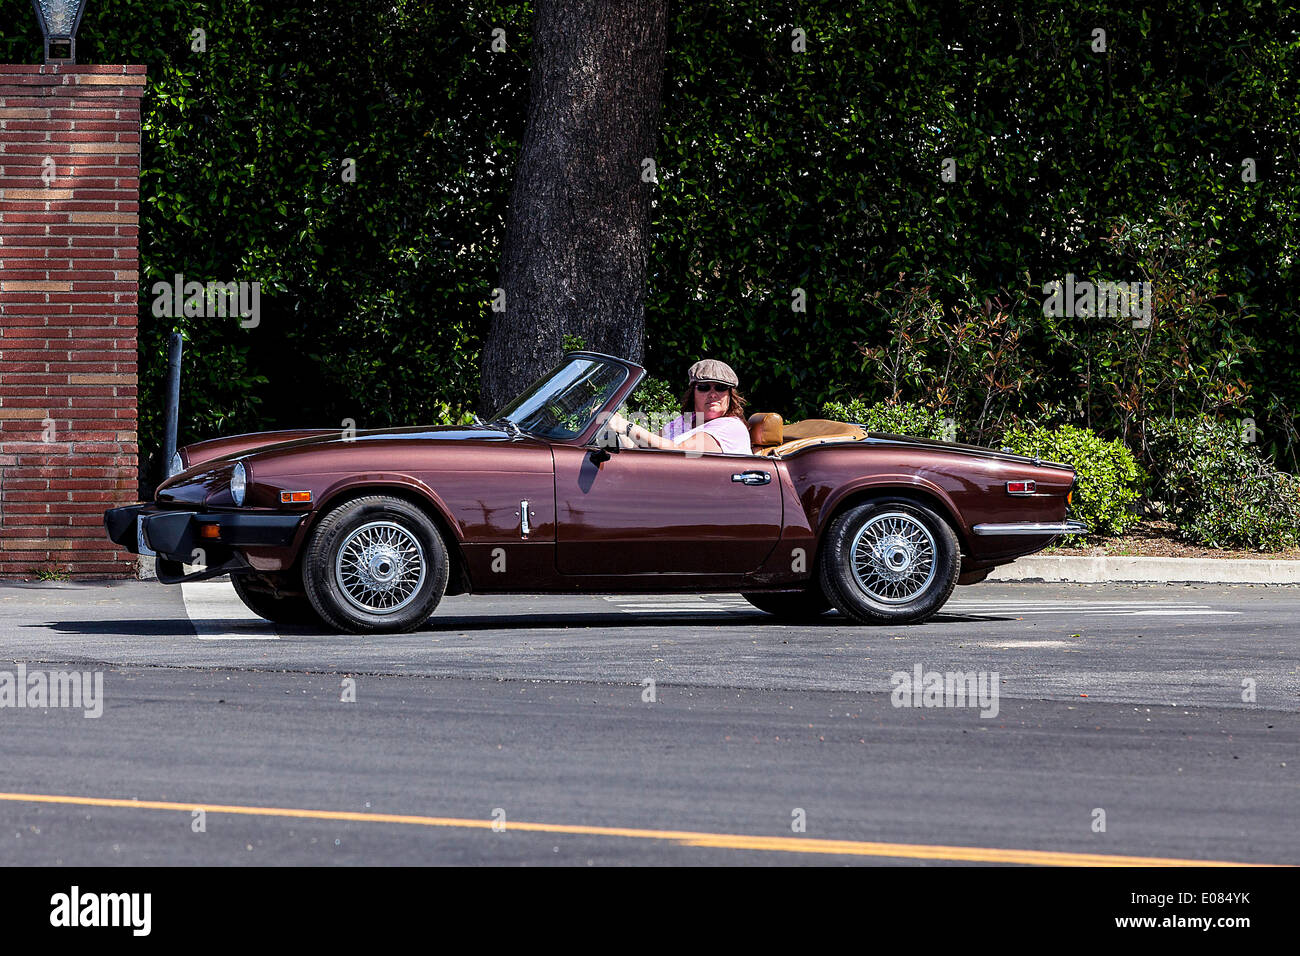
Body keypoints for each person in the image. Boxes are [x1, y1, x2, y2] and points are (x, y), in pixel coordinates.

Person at [605, 359, 752, 454]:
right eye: (704, 387)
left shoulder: (731, 427)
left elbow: (679, 452)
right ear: (693, 392)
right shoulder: (686, 421)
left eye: (720, 388)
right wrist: (612, 421)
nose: (713, 394)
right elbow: (645, 448)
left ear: (730, 395)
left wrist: (627, 427)